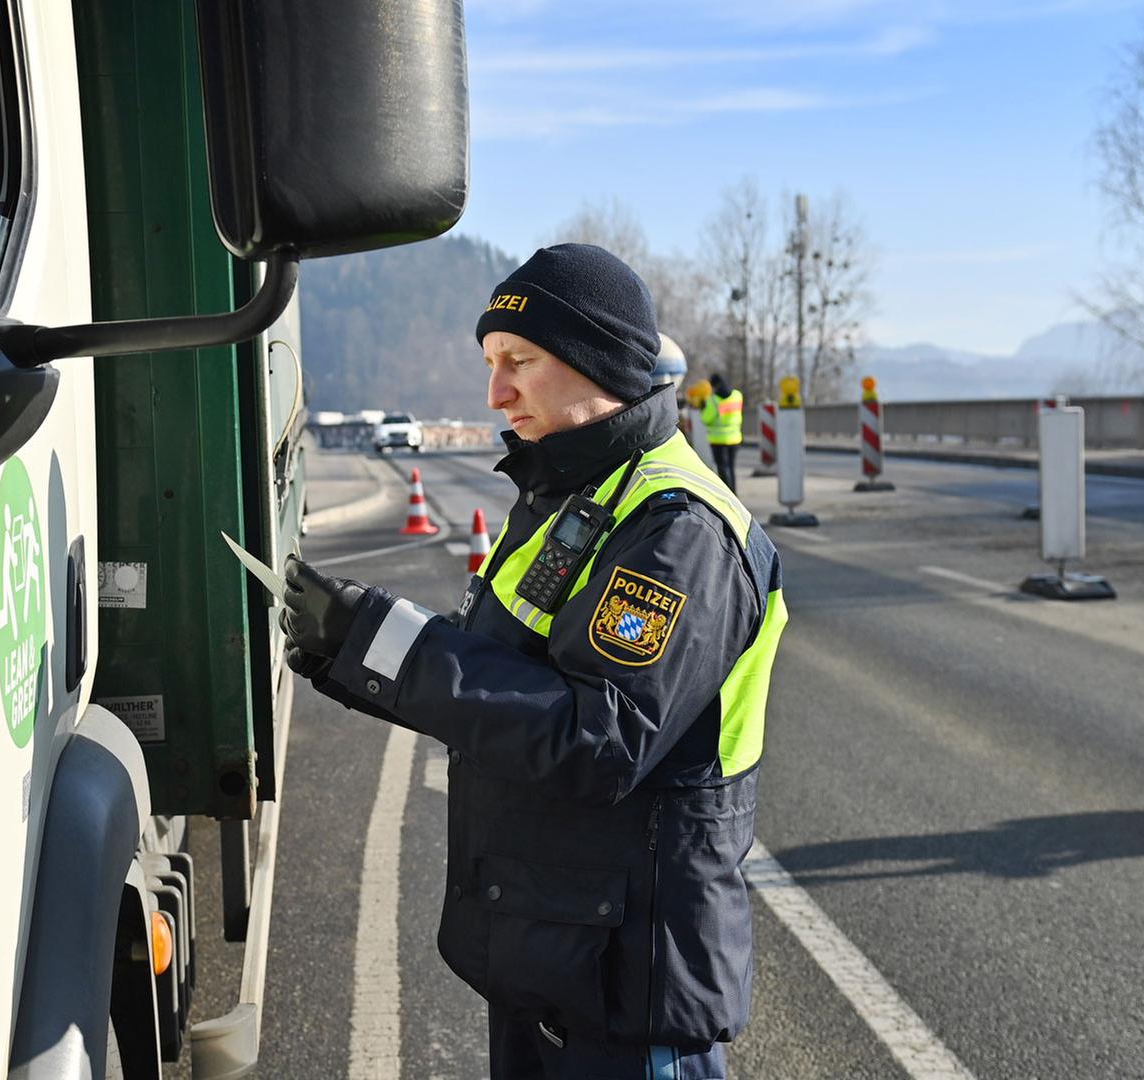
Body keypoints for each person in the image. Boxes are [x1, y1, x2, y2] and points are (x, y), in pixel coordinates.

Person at [281, 243, 787, 1080]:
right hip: (556, 960)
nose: (495, 391)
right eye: (490, 362)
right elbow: (496, 665)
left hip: (624, 999)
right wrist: (354, 649)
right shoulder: (570, 492)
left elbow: (601, 737)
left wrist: (384, 646)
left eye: (520, 361)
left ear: (600, 366)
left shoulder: (680, 529)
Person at [703, 373, 743, 491]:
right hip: (735, 438)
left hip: (718, 440)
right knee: (731, 467)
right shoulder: (737, 395)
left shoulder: (713, 400)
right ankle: (734, 494)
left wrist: (702, 408)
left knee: (722, 468)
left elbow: (706, 419)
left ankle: (727, 494)